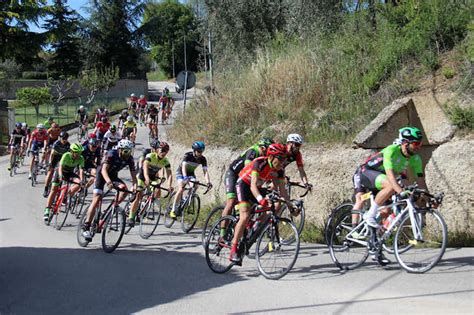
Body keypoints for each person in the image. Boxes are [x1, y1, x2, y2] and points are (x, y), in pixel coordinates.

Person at [229, 143, 292, 262]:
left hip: (257, 188)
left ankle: (256, 225)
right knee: (245, 215)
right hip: (244, 185)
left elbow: (283, 191)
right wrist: (261, 200)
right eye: (281, 159)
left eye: (285, 159)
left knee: (276, 204)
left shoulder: (279, 170)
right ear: (272, 157)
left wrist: (290, 206)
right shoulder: (259, 162)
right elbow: (252, 186)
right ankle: (233, 250)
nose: (283, 162)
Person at [82, 139, 137, 241]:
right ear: (120, 150)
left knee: (123, 189)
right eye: (126, 151)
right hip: (102, 175)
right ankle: (86, 226)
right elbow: (103, 170)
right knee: (97, 199)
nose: (128, 153)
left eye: (130, 151)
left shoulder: (130, 159)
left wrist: (135, 186)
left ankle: (112, 208)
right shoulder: (112, 154)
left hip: (112, 176)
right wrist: (108, 182)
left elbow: (134, 175)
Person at [221, 138, 274, 219]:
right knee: (231, 202)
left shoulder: (264, 158)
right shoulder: (253, 151)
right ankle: (222, 230)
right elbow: (247, 166)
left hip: (243, 177)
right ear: (263, 148)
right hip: (233, 174)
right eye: (269, 150)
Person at [127, 141, 173, 226]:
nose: (164, 152)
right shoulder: (150, 156)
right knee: (138, 195)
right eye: (162, 150)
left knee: (157, 190)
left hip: (152, 178)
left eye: (166, 151)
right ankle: (131, 217)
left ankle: (148, 205)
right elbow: (144, 168)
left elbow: (169, 174)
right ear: (157, 150)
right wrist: (147, 178)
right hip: (142, 177)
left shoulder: (165, 161)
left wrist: (169, 185)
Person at [170, 141, 212, 219]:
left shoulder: (203, 159)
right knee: (181, 189)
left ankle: (186, 198)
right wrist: (185, 178)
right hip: (181, 173)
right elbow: (183, 167)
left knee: (195, 185)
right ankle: (173, 209)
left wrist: (208, 182)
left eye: (202, 151)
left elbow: (205, 172)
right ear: (194, 150)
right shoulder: (188, 155)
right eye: (199, 151)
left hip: (191, 173)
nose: (200, 153)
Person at [43, 143, 85, 222]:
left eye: (79, 152)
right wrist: (60, 176)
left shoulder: (81, 158)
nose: (78, 154)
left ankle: (67, 196)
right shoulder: (66, 155)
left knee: (79, 183)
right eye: (77, 152)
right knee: (54, 190)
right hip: (61, 172)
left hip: (69, 173)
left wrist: (82, 180)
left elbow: (81, 170)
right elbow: (60, 167)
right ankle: (47, 210)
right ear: (72, 151)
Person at [43, 131, 70, 198]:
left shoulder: (68, 145)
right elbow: (52, 154)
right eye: (63, 138)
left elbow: (69, 155)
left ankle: (58, 188)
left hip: (62, 159)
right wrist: (50, 162)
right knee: (50, 172)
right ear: (60, 138)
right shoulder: (56, 143)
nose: (65, 140)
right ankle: (46, 188)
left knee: (61, 172)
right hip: (55, 157)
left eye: (66, 139)